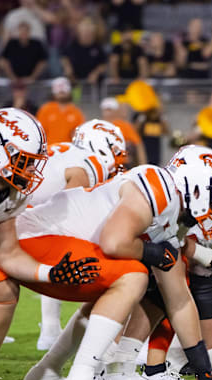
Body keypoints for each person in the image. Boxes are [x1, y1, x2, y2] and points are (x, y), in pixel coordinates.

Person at [23, 145, 212, 380]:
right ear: (197, 188)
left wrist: (203, 370)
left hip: (52, 245)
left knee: (130, 279)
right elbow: (114, 242)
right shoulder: (158, 189)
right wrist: (152, 253)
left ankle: (47, 372)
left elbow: (179, 300)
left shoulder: (170, 216)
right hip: (37, 239)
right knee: (134, 274)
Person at [0, 108, 104, 380]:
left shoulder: (12, 192)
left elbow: (6, 252)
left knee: (3, 286)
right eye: (25, 162)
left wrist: (49, 272)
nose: (31, 172)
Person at [35, 119, 127, 351]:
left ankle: (51, 329)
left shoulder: (65, 151)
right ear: (100, 144)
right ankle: (57, 332)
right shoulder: (89, 164)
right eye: (115, 151)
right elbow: (68, 216)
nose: (118, 160)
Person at [36, 77, 85, 145]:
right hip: (49, 151)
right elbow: (39, 133)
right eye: (59, 91)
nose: (61, 92)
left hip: (69, 151)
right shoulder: (45, 109)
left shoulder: (76, 111)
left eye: (64, 90)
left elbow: (81, 135)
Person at [100, 97, 146, 168]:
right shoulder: (98, 126)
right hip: (103, 164)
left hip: (122, 165)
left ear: (116, 111)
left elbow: (138, 144)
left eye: (110, 110)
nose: (107, 113)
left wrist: (143, 165)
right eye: (106, 110)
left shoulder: (124, 126)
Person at [61, 18, 106, 84]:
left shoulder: (98, 47)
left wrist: (96, 73)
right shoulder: (72, 45)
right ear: (79, 32)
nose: (86, 33)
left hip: (93, 84)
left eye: (88, 31)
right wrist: (68, 68)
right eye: (84, 30)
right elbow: (64, 57)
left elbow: (103, 64)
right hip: (75, 82)